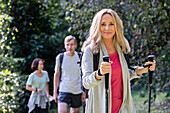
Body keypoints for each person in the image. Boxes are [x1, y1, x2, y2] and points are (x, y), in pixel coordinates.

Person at [81, 9, 156, 113]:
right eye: (103, 24)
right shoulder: (91, 51)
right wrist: (99, 73)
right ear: (97, 26)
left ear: (116, 26)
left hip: (123, 107)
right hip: (100, 107)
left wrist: (143, 69)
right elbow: (86, 83)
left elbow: (122, 74)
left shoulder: (121, 47)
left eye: (111, 24)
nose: (107, 28)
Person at [53, 35, 85, 113]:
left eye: (72, 44)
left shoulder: (80, 56)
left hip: (77, 90)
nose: (69, 47)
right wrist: (55, 92)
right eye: (67, 45)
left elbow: (84, 74)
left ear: (75, 45)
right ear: (65, 46)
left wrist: (84, 91)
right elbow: (56, 75)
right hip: (64, 89)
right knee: (61, 111)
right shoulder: (60, 57)